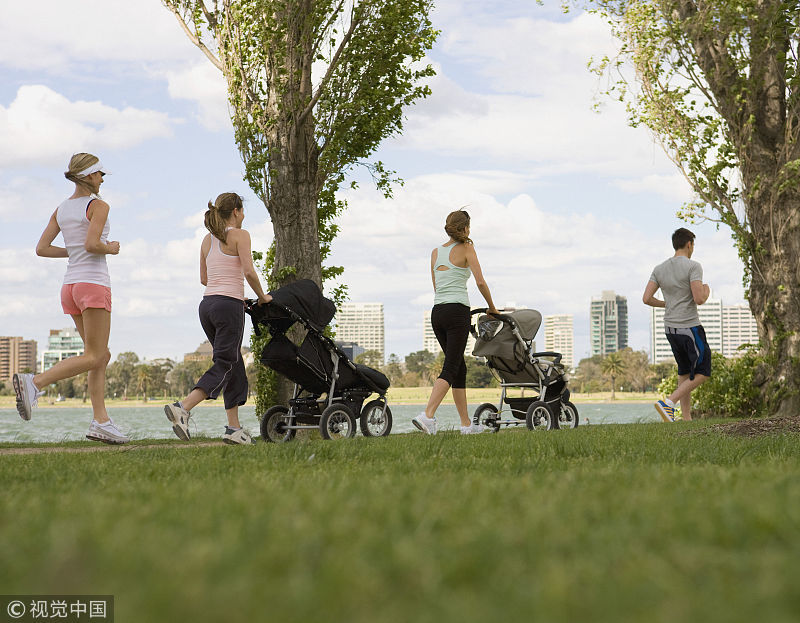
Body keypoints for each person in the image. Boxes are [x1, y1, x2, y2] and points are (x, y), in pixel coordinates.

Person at [13, 153, 129, 444]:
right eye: (100, 174)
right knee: (96, 355)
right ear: (89, 176)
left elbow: (42, 248)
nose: (102, 179)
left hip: (70, 286)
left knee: (99, 357)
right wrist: (110, 248)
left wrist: (73, 250)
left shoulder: (62, 208)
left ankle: (101, 421)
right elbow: (92, 244)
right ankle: (34, 383)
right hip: (92, 284)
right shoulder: (98, 205)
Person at [164, 193, 271, 445]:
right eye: (243, 212)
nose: (243, 217)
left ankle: (233, 429)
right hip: (228, 306)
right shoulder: (240, 235)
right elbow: (248, 271)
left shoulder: (206, 240)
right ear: (235, 211)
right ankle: (184, 407)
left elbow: (205, 279)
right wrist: (262, 297)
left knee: (234, 366)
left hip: (207, 306)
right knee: (225, 363)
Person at [412, 210, 500, 435]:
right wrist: (492, 307)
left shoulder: (435, 252)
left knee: (459, 368)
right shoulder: (468, 248)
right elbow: (480, 282)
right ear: (465, 228)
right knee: (451, 367)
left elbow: (436, 286)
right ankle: (427, 415)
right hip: (457, 311)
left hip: (437, 312)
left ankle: (466, 425)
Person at [643, 227, 711, 422]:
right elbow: (699, 298)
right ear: (689, 244)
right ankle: (669, 402)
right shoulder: (693, 266)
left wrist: (667, 303)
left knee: (684, 371)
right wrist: (706, 290)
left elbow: (647, 298)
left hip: (670, 329)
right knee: (703, 371)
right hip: (689, 327)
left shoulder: (659, 269)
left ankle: (686, 418)